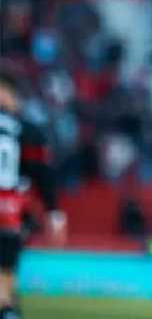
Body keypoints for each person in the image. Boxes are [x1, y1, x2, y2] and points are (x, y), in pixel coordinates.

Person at [0, 69, 66, 319]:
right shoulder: (28, 130)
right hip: (11, 209)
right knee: (6, 270)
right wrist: (54, 212)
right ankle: (8, 308)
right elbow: (43, 173)